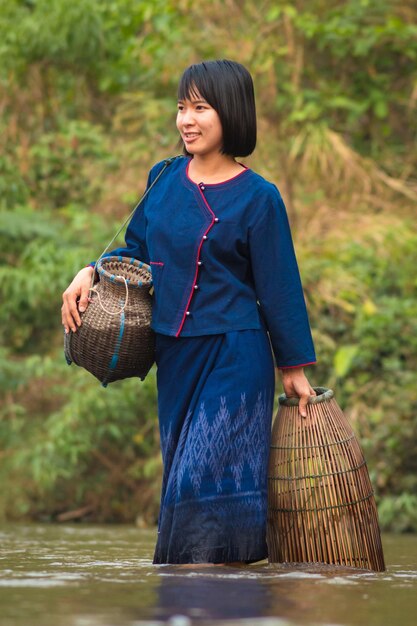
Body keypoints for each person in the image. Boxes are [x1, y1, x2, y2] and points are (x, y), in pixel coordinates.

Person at [61, 59, 317, 566]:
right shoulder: (163, 178)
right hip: (174, 356)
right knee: (181, 484)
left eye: (200, 107)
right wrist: (90, 271)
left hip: (235, 357)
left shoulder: (260, 198)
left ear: (232, 113)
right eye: (182, 107)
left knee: (206, 481)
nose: (186, 119)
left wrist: (294, 368)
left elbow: (280, 287)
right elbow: (134, 252)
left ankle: (216, 602)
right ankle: (192, 600)